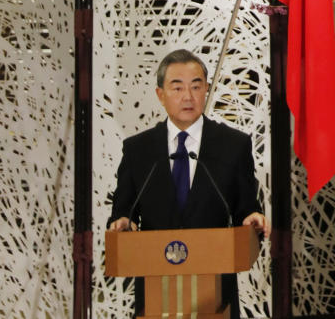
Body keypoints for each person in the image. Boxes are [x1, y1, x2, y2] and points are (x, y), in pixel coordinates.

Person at [108, 48, 270, 319]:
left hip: (216, 297)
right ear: (160, 94)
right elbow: (123, 212)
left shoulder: (233, 145)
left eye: (196, 87)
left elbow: (246, 209)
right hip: (156, 296)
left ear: (206, 89)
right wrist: (122, 222)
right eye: (177, 87)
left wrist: (253, 218)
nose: (188, 96)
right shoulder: (138, 150)